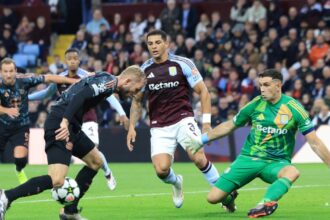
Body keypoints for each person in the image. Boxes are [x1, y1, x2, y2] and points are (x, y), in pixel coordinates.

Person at [0, 65, 146, 220]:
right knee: (57, 179)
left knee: (96, 161)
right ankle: (6, 196)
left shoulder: (106, 79)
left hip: (72, 126)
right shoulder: (109, 83)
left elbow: (88, 81)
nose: (133, 94)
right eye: (135, 89)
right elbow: (80, 97)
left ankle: (70, 211)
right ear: (127, 81)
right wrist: (64, 121)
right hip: (60, 122)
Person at [182, 69, 330, 218]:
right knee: (213, 198)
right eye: (260, 85)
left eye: (266, 85)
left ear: (278, 86)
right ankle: (230, 197)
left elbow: (315, 142)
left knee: (292, 172)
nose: (262, 89)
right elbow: (230, 125)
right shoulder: (255, 104)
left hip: (276, 163)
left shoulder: (294, 108)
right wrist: (201, 140)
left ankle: (265, 204)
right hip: (248, 159)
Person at [126, 30, 220, 209]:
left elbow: (203, 92)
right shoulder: (144, 70)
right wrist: (132, 126)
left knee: (198, 158)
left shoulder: (182, 63)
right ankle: (177, 183)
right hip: (159, 126)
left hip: (183, 119)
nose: (154, 46)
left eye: (157, 42)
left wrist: (206, 123)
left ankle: (223, 190)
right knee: (161, 170)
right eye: (150, 43)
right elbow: (137, 101)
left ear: (166, 44)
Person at [28, 48, 129, 190]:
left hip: (87, 118)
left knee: (93, 149)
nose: (73, 61)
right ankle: (67, 186)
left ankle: (107, 172)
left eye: (75, 59)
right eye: (70, 59)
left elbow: (109, 93)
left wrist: (121, 112)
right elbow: (46, 93)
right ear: (66, 61)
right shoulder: (60, 78)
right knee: (67, 158)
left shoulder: (87, 76)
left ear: (79, 60)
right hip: (68, 120)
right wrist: (27, 98)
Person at [0, 57, 77, 184]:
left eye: (11, 71)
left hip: (21, 126)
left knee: (20, 159)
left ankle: (19, 170)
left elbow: (49, 78)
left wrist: (73, 80)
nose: (8, 74)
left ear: (15, 71)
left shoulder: (24, 80)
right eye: (5, 71)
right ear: (1, 72)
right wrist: (7, 110)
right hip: (2, 125)